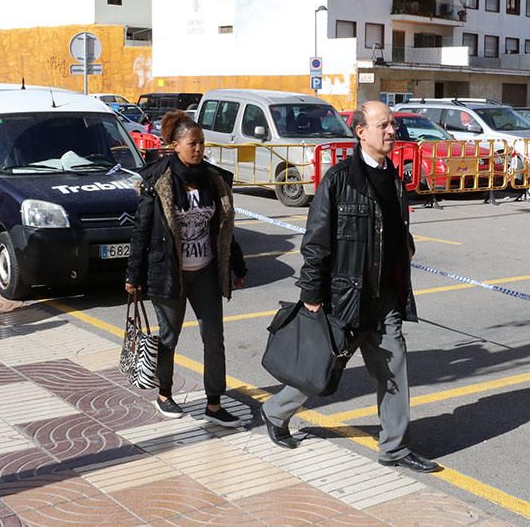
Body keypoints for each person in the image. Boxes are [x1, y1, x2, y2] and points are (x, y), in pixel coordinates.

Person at [262, 101, 439, 473]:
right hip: (347, 297)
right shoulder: (340, 179)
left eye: (392, 125)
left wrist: (404, 247)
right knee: (322, 368)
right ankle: (275, 412)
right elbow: (316, 241)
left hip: (386, 297)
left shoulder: (392, 175)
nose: (392, 131)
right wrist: (311, 293)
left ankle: (394, 448)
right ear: (361, 132)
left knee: (393, 370)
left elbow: (391, 228)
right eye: (383, 125)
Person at [125, 111, 247, 423]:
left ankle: (214, 404)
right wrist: (133, 275)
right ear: (176, 145)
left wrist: (237, 265)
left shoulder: (213, 180)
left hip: (205, 271)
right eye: (192, 143)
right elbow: (141, 230)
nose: (199, 148)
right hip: (169, 272)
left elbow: (223, 229)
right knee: (169, 336)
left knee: (214, 337)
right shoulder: (158, 181)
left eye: (202, 143)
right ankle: (164, 395)